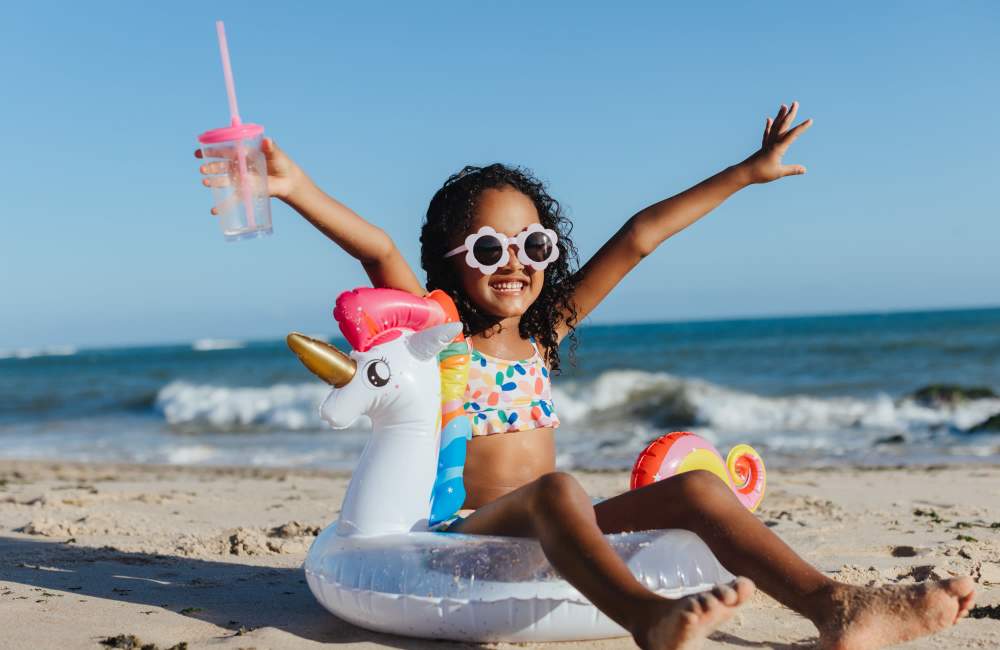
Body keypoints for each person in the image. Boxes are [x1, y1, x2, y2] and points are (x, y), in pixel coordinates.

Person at [196, 102, 975, 650]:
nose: (514, 264)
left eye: (532, 246)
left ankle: (835, 605)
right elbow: (376, 249)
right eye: (488, 249)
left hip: (557, 529)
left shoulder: (545, 332)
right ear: (449, 264)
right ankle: (646, 617)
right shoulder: (439, 336)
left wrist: (747, 171)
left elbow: (640, 236)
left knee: (700, 490)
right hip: (463, 536)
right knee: (559, 489)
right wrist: (293, 188)